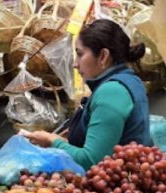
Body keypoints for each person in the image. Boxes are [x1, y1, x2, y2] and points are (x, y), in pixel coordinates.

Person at [21, 19, 152, 169]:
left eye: (80, 54)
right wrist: (63, 142)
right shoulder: (131, 80)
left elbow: (91, 161)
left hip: (118, 180)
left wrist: (52, 141)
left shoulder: (111, 92)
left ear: (103, 56)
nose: (75, 64)